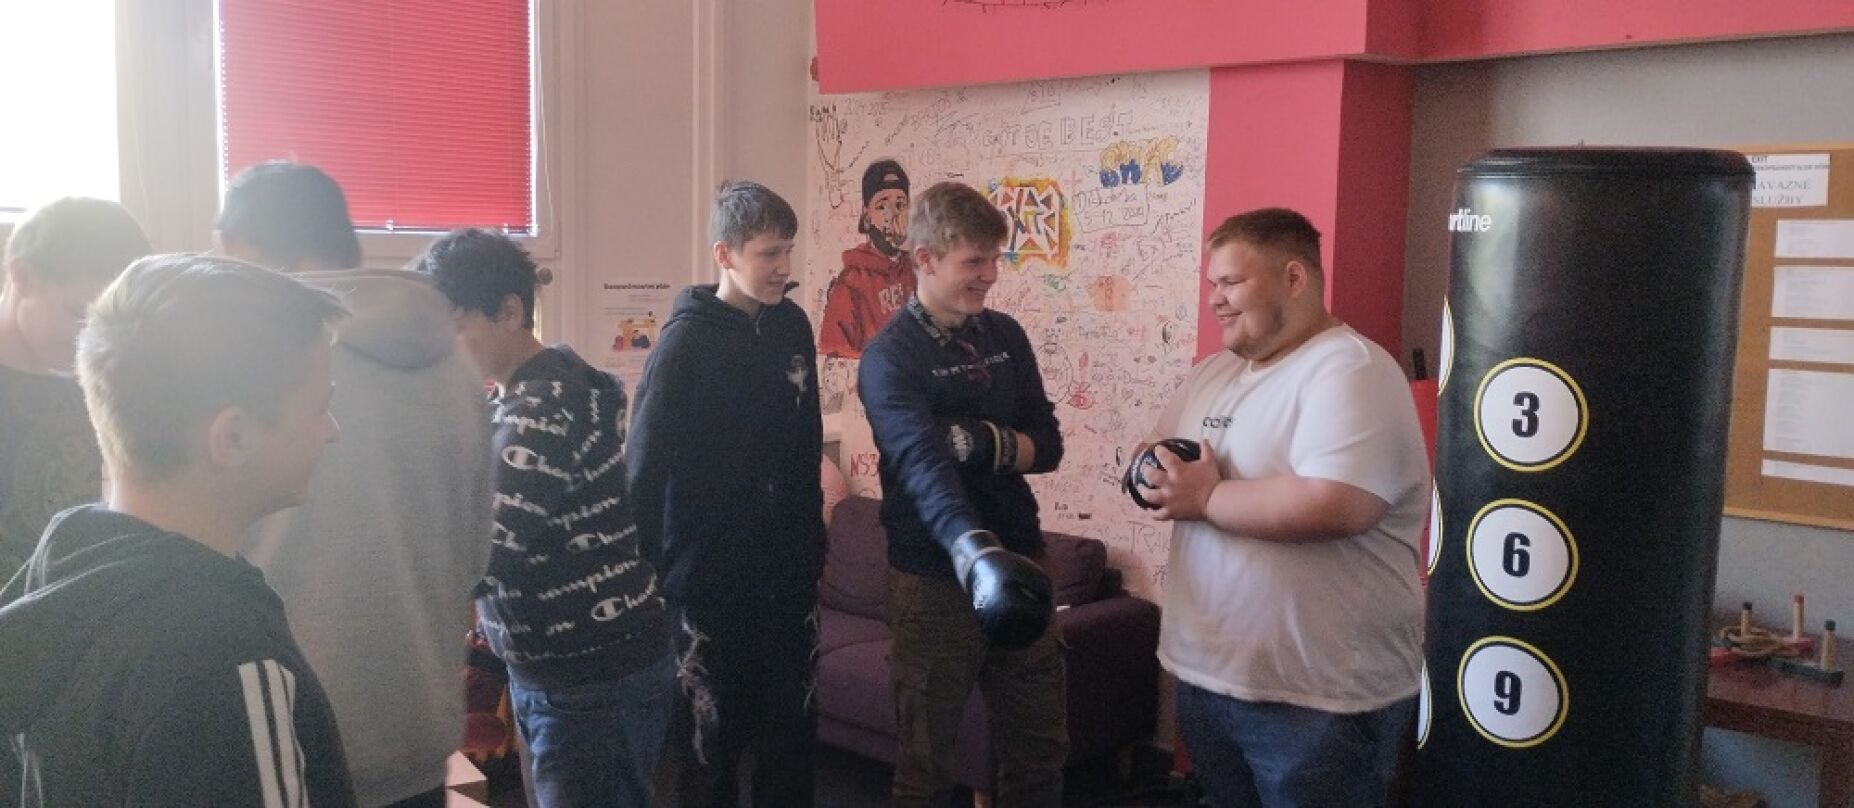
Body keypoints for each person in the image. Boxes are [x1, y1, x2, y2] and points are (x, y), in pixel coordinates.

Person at [0, 254, 356, 806]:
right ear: (232, 438)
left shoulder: (63, 571)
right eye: (319, 407)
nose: (331, 430)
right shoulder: (225, 660)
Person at [223, 161, 495, 808]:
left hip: (289, 746)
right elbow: (476, 560)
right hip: (417, 740)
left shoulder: (260, 362)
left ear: (248, 250)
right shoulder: (457, 367)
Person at [1137, 207, 1428, 808]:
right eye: (1211, 284)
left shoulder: (1350, 369)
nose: (1215, 300)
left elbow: (1336, 503)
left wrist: (1207, 496)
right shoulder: (1213, 373)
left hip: (1318, 701)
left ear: (1294, 278)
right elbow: (1156, 451)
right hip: (1210, 679)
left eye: (1231, 282)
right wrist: (1153, 476)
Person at [417, 227, 672, 808]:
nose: (446, 349)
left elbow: (486, 554)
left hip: (591, 675)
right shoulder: (523, 395)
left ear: (508, 312)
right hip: (571, 670)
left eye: (456, 328)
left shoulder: (542, 407)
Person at [857, 180, 1067, 807]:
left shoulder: (1005, 336)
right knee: (925, 767)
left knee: (1039, 751)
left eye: (994, 259)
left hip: (1023, 555)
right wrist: (973, 552)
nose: (990, 276)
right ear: (925, 258)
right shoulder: (889, 358)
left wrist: (975, 440)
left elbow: (1048, 446)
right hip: (932, 579)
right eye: (975, 261)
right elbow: (923, 467)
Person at [627, 180, 825, 806]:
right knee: (710, 746)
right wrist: (648, 578)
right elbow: (644, 469)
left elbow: (807, 443)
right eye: (769, 253)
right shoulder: (684, 344)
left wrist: (812, 546)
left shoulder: (792, 325)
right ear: (725, 255)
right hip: (709, 586)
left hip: (787, 580)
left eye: (788, 250)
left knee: (790, 741)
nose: (783, 267)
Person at [0, 198, 151, 580]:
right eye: (78, 315)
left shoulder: (104, 381)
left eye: (109, 321)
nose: (93, 338)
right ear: (23, 277)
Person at [819, 159, 915, 358]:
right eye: (882, 206)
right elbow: (835, 358)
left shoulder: (918, 269)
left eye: (900, 205)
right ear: (867, 216)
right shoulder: (851, 283)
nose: (892, 215)